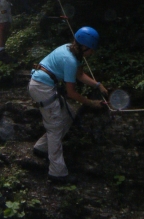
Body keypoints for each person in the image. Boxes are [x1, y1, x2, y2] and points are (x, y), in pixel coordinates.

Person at [28, 27, 108, 184]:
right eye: (91, 50)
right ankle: (57, 173)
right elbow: (71, 93)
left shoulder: (69, 49)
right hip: (41, 87)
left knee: (67, 114)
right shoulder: (70, 60)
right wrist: (91, 103)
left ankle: (41, 147)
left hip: (42, 84)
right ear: (84, 47)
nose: (92, 53)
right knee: (55, 127)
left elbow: (79, 75)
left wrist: (98, 85)